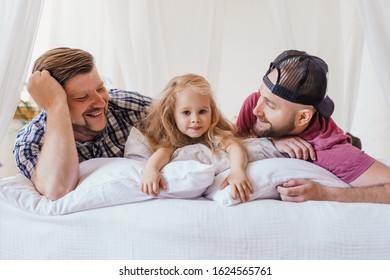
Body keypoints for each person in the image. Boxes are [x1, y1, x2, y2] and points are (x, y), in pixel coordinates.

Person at [236, 49, 390, 203]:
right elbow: (229, 142)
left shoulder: (331, 151)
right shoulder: (255, 104)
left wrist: (325, 193)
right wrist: (271, 143)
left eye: (271, 104)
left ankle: (351, 141)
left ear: (303, 117)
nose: (256, 110)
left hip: (336, 144)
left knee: (350, 146)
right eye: (261, 94)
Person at [13, 47, 152, 200]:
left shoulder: (127, 106)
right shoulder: (30, 143)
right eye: (81, 97)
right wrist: (56, 108)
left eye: (100, 88)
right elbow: (57, 190)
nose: (100, 102)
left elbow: (180, 118)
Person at [136, 73, 253, 202]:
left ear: (211, 111)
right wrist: (151, 169)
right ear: (172, 115)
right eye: (186, 113)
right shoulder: (173, 137)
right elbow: (162, 152)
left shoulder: (213, 133)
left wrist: (237, 170)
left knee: (234, 130)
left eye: (202, 111)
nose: (195, 120)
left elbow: (234, 147)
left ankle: (234, 122)